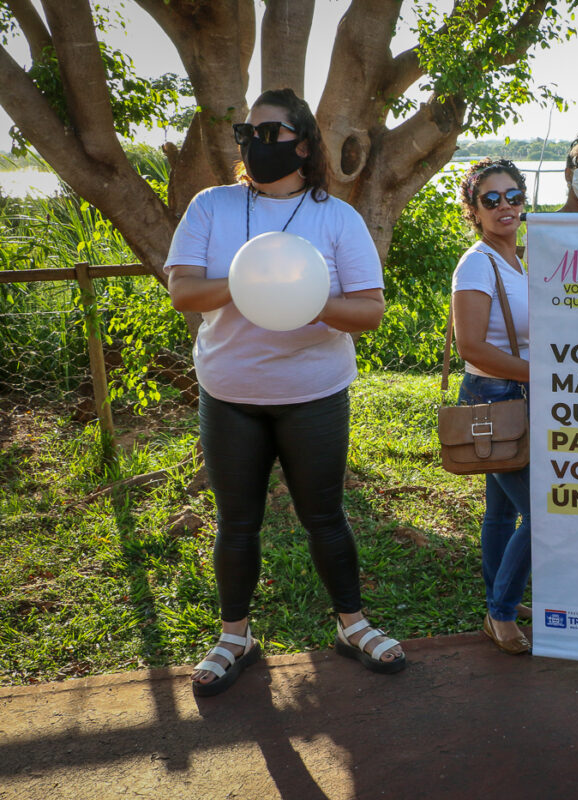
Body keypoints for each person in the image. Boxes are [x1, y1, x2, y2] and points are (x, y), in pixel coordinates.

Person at [166, 88, 405, 697]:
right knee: (236, 523)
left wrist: (309, 301)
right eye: (247, 133)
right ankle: (234, 637)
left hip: (314, 394)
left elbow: (370, 310)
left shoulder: (335, 217)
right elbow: (184, 292)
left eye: (267, 133)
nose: (253, 143)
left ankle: (352, 625)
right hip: (231, 393)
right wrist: (246, 282)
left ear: (302, 143)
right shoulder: (213, 207)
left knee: (324, 516)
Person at [452, 158, 535, 655]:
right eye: (491, 199)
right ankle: (500, 612)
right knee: (544, 514)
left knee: (501, 515)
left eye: (513, 197)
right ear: (474, 209)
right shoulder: (477, 263)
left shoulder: (519, 258)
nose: (505, 207)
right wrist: (543, 375)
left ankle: (497, 595)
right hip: (492, 398)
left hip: (516, 397)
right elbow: (472, 348)